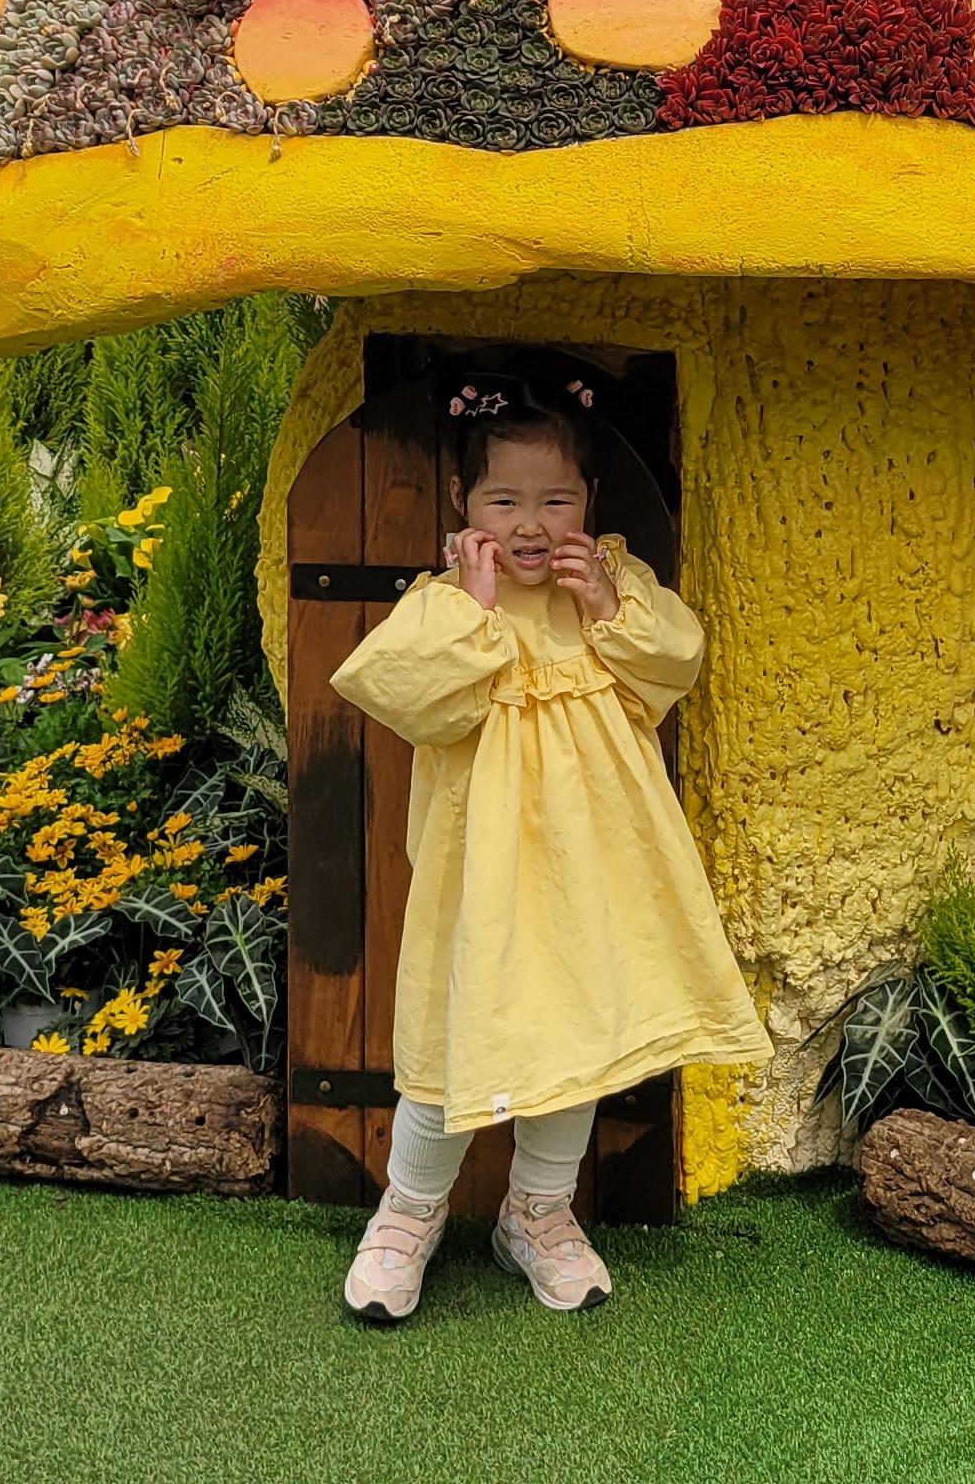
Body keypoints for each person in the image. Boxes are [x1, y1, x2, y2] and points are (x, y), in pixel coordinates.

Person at [329, 357, 768, 1323]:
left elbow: (674, 664)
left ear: (590, 500)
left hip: (592, 866)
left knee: (577, 1032)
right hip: (478, 875)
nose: (530, 525)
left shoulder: (614, 587)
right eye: (504, 500)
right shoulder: (447, 602)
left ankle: (537, 1210)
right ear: (462, 501)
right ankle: (408, 1212)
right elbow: (407, 696)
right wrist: (477, 609)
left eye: (555, 500)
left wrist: (607, 607)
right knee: (454, 1034)